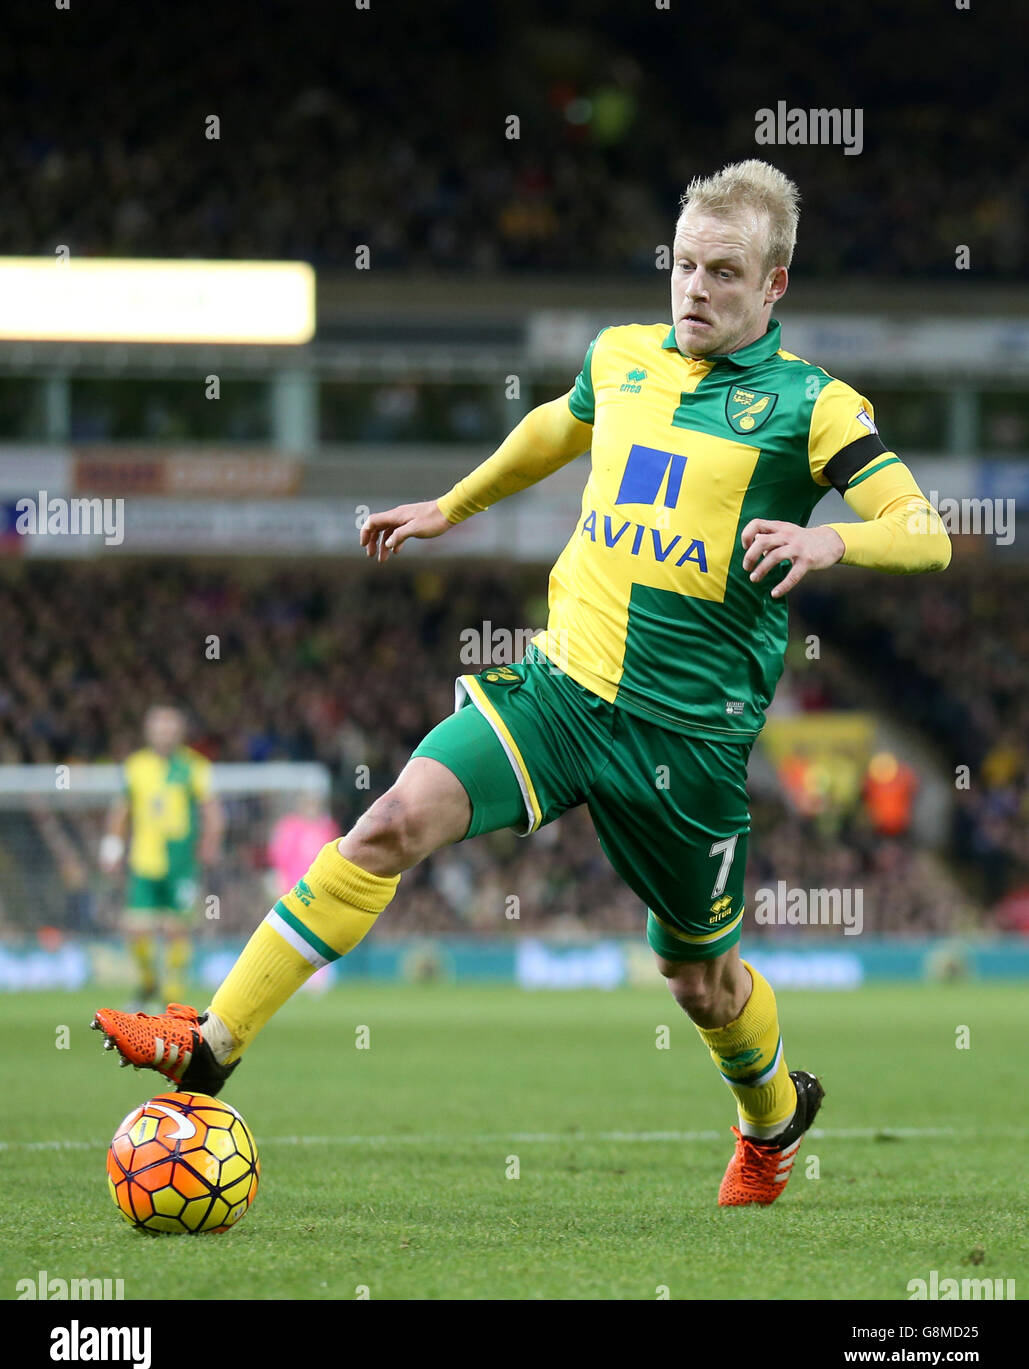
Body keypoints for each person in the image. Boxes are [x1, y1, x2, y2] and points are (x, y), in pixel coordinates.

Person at [93, 161, 951, 1206]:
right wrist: (455, 505)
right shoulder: (622, 358)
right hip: (560, 688)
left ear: (774, 286)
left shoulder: (811, 405)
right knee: (391, 822)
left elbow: (926, 532)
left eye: (725, 273)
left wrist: (835, 546)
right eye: (683, 265)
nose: (694, 289)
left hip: (685, 740)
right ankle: (209, 1044)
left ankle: (772, 1118)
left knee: (701, 981)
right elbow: (559, 424)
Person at [99, 705, 222, 1005]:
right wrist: (112, 846)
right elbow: (121, 809)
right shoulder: (136, 766)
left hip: (181, 861)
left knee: (177, 929)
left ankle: (173, 996)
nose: (164, 734)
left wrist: (210, 841)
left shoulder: (194, 766)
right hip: (144, 860)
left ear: (179, 732)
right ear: (148, 732)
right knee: (136, 928)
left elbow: (211, 809)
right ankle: (148, 981)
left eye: (169, 728)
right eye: (158, 728)